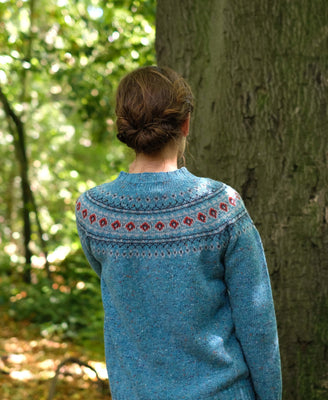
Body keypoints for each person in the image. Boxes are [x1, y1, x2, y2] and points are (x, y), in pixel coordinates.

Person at [75, 66, 282, 400]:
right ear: (186, 123)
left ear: (124, 127)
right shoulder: (220, 207)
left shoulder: (93, 212)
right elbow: (256, 323)